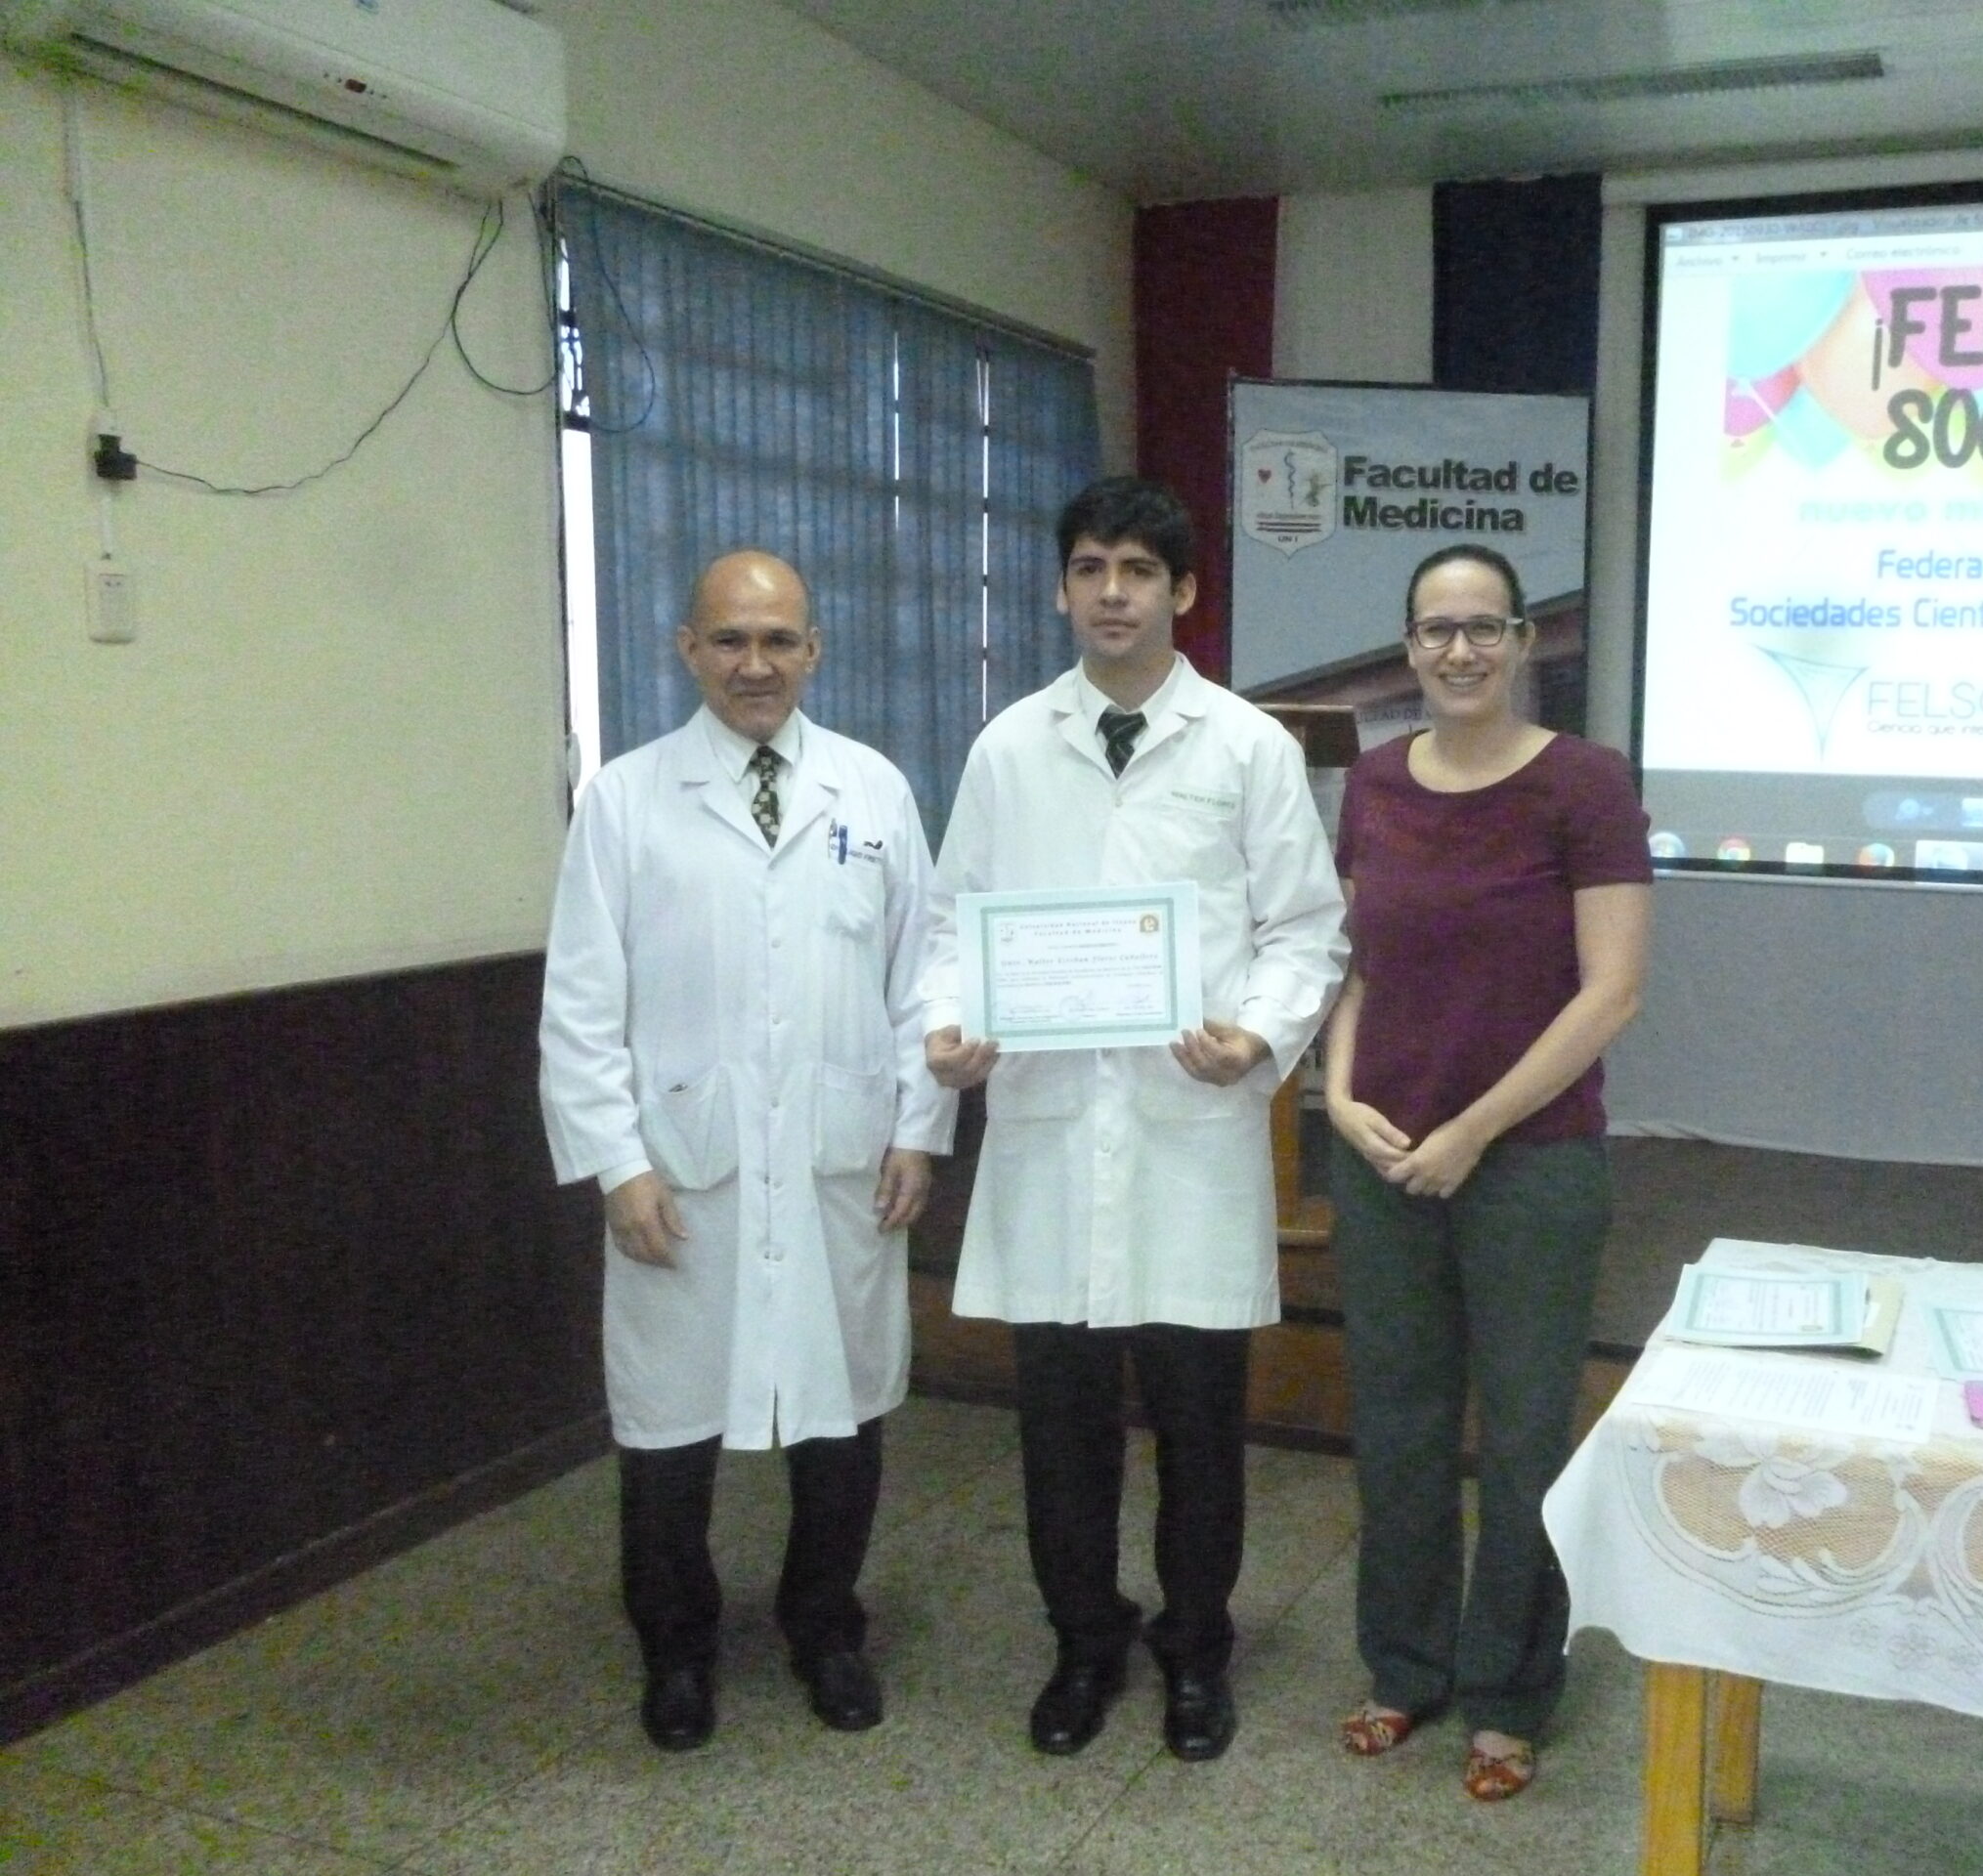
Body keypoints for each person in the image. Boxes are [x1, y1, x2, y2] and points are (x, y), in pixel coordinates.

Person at [922, 476, 1345, 1765]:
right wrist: (951, 1025)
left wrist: (1258, 1036)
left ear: (1184, 591)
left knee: (1201, 1432)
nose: (1113, 592)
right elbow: (950, 925)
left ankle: (1195, 1654)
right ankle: (1083, 1643)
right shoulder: (1008, 748)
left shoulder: (1247, 747)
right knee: (1060, 1435)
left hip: (1188, 1134)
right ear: (1062, 588)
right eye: (1091, 568)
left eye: (1139, 571)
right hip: (1052, 1134)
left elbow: (1306, 929)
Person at [539, 549, 955, 1752]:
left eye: (779, 640)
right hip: (682, 1168)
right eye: (729, 640)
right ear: (688, 650)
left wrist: (918, 1130)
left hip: (838, 1160)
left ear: (814, 650)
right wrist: (616, 1162)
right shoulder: (626, 801)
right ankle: (676, 1649)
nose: (755, 664)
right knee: (669, 1428)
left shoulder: (871, 791)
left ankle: (825, 1628)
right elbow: (580, 1003)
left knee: (842, 1418)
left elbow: (921, 975)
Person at [1324, 542, 1652, 1801]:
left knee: (1522, 1439)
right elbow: (1360, 967)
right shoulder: (1374, 782)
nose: (1457, 649)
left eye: (1482, 627)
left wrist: (1472, 1130)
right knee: (1398, 1428)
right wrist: (1339, 1095)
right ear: (1408, 647)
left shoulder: (1585, 783)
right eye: (1435, 629)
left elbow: (1611, 992)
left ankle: (1509, 1693)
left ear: (1519, 642)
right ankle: (1405, 1667)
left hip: (1530, 1164)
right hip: (1382, 1159)